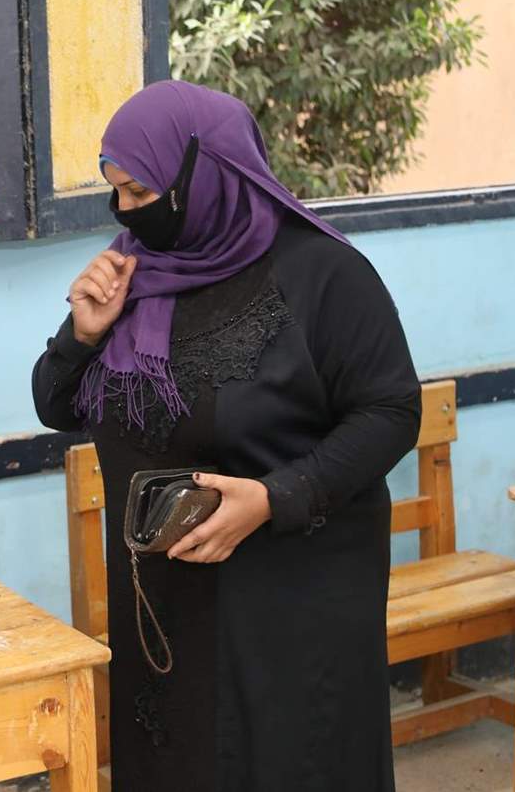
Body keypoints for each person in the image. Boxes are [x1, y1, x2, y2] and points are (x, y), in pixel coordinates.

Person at [32, 81, 421, 791]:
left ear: (204, 171)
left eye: (141, 192)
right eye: (115, 191)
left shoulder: (324, 275)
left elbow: (391, 411)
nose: (125, 210)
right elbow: (55, 406)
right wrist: (81, 335)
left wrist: (273, 498)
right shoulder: (133, 276)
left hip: (291, 598)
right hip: (166, 610)